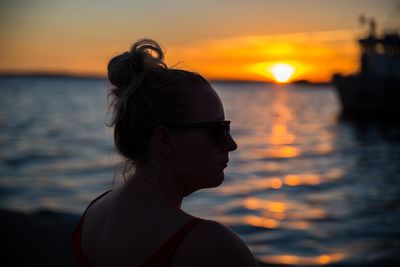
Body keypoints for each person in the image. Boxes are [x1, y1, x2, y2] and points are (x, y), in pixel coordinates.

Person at [71, 39, 258, 267]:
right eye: (217, 130)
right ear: (165, 140)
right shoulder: (212, 247)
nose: (231, 144)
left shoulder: (94, 214)